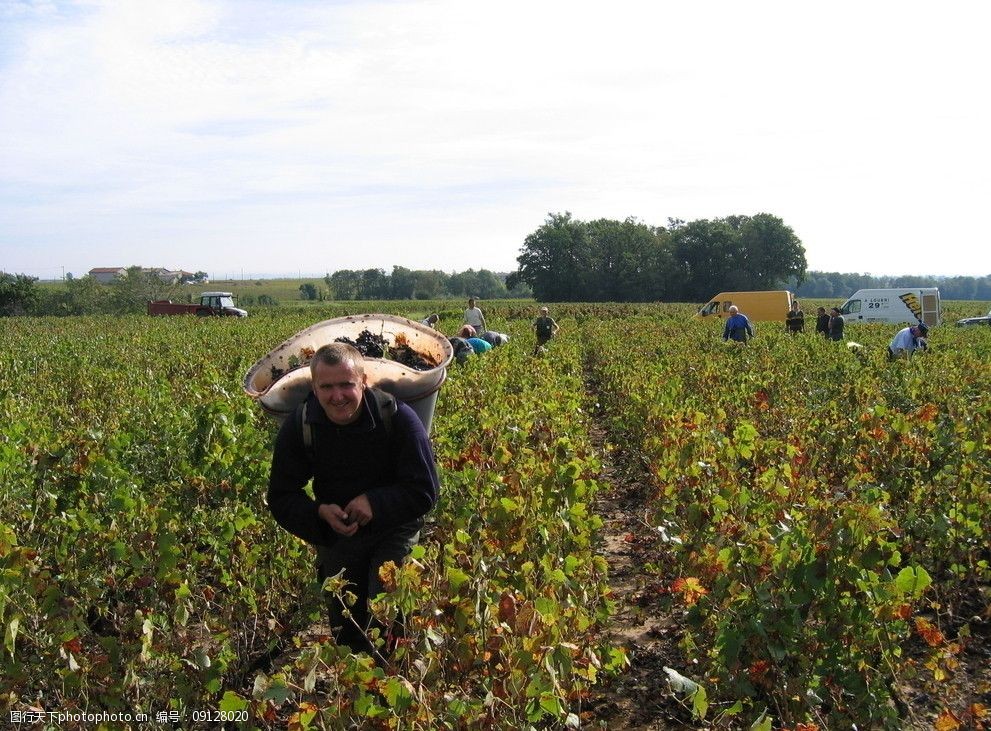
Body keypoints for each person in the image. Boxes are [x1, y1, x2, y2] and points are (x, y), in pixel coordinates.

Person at [266, 342, 440, 657]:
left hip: (394, 526)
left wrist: (374, 503)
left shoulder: (399, 419)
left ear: (363, 381)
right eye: (327, 387)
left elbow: (424, 490)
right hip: (338, 532)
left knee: (385, 606)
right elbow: (281, 496)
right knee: (346, 620)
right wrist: (319, 513)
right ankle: (356, 690)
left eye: (346, 384)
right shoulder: (301, 425)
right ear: (314, 389)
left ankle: (392, 685)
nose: (338, 396)